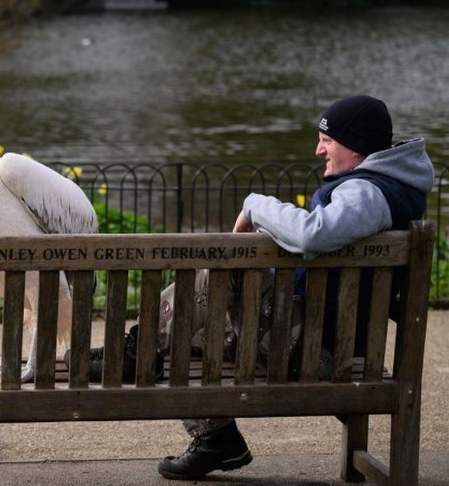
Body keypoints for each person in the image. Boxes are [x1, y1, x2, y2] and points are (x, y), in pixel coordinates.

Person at [157, 94, 434, 480]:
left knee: (214, 276)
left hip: (316, 356)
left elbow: (311, 234)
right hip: (319, 343)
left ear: (355, 147)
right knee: (192, 333)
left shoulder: (367, 193)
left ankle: (146, 362)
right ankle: (207, 428)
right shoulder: (388, 189)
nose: (318, 149)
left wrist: (255, 204)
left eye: (327, 140)